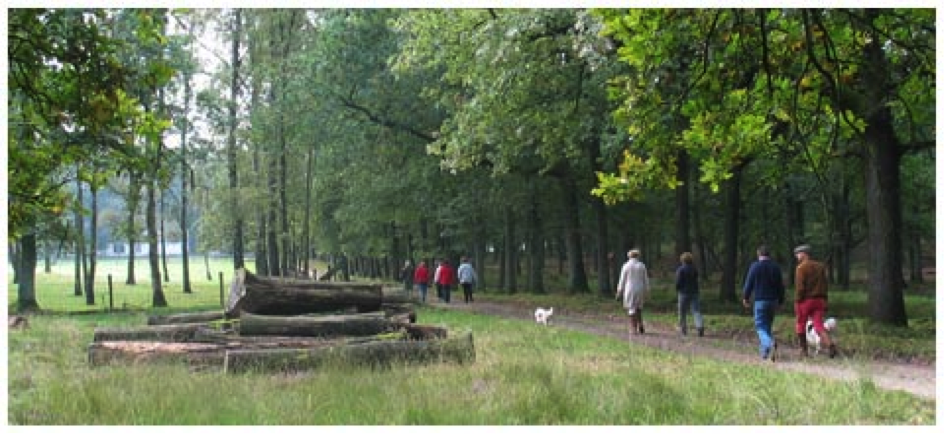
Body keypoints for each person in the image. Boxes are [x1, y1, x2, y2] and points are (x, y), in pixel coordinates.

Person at [742, 245, 786, 362]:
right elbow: (780, 286)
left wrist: (745, 297)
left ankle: (769, 343)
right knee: (767, 326)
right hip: (773, 301)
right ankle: (764, 353)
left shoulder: (754, 267)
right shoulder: (775, 267)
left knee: (760, 326)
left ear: (759, 254)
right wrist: (781, 300)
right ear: (769, 255)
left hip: (760, 300)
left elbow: (749, 283)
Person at [793, 244, 838, 358]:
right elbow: (825, 285)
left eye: (798, 254)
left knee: (800, 324)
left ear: (804, 254)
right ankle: (830, 345)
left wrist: (798, 300)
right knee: (818, 325)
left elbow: (800, 288)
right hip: (820, 300)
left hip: (805, 301)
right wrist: (825, 300)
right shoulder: (820, 266)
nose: (797, 256)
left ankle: (804, 351)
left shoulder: (801, 268)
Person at [616, 249, 650, 335]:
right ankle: (641, 324)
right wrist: (647, 290)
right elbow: (645, 279)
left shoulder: (626, 266)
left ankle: (633, 328)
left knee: (631, 308)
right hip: (640, 288)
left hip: (630, 288)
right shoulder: (642, 265)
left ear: (629, 256)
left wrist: (619, 291)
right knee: (638, 307)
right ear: (637, 256)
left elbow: (622, 279)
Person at [675, 252, 705, 337]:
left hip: (683, 293)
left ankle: (683, 329)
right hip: (695, 292)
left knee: (682, 311)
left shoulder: (680, 269)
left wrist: (677, 289)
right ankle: (700, 327)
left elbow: (678, 282)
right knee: (696, 311)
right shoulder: (695, 269)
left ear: (682, 260)